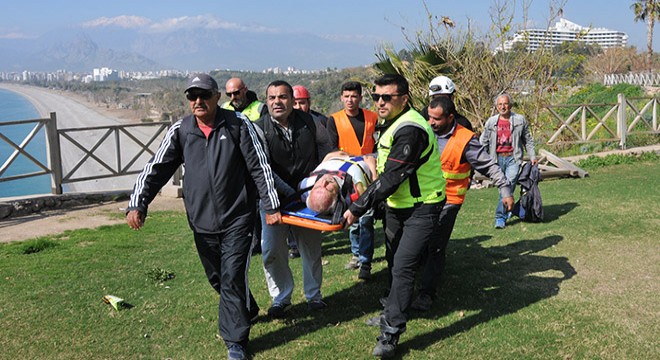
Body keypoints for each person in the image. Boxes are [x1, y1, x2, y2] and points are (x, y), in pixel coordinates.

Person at [126, 73, 281, 360]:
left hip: (238, 217)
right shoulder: (181, 130)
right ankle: (246, 307)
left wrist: (271, 206)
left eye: (204, 95)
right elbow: (156, 168)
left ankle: (235, 342)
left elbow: (259, 166)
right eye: (192, 96)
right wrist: (138, 203)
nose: (198, 101)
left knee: (232, 276)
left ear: (216, 97)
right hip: (201, 221)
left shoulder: (237, 124)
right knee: (218, 278)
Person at [343, 74, 446, 358]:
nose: (380, 102)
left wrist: (357, 207)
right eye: (376, 96)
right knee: (393, 260)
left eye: (386, 97)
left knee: (402, 265)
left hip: (423, 206)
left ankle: (390, 333)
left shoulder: (411, 129)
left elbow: (393, 177)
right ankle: (392, 309)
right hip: (397, 206)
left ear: (404, 97)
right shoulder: (391, 123)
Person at [410, 96, 514, 311]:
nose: (431, 122)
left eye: (436, 119)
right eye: (429, 117)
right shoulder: (424, 130)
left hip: (449, 201)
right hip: (421, 200)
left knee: (435, 246)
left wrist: (505, 189)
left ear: (450, 117)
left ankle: (426, 293)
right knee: (417, 243)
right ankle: (408, 287)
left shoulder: (465, 139)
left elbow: (489, 166)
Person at [254, 80, 332, 318]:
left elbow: (327, 151)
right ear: (266, 101)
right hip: (273, 200)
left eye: (282, 97)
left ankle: (314, 296)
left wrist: (318, 185)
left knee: (311, 249)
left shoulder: (312, 123)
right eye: (272, 98)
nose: (277, 102)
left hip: (307, 199)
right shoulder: (258, 128)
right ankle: (280, 297)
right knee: (271, 251)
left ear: (292, 100)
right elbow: (262, 168)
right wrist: (288, 194)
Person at [326, 81, 379, 279]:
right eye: (346, 96)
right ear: (341, 98)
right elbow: (332, 149)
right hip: (348, 177)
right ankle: (356, 254)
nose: (350, 100)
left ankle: (365, 261)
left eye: (354, 96)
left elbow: (379, 143)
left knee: (366, 219)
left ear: (360, 97)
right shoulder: (335, 120)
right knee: (352, 219)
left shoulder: (372, 117)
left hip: (369, 174)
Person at [479, 93, 538, 229]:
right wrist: (479, 159)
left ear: (510, 105)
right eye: (500, 104)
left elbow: (527, 140)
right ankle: (514, 209)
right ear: (496, 106)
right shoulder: (491, 122)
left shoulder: (519, 120)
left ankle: (500, 217)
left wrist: (533, 156)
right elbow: (483, 142)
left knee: (508, 185)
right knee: (503, 190)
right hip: (496, 159)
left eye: (505, 104)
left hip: (513, 158)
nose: (502, 107)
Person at [299, 150, 376, 215]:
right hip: (369, 159)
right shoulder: (355, 190)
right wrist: (372, 168)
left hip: (342, 155)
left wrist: (331, 156)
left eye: (317, 187)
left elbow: (326, 159)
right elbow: (376, 191)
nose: (324, 182)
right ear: (337, 196)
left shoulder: (306, 186)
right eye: (328, 189)